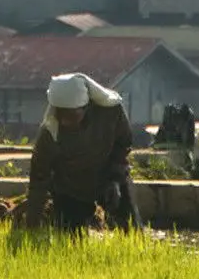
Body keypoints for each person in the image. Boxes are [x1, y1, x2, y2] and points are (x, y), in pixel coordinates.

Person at [21, 73, 138, 232]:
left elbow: (122, 144)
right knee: (70, 239)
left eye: (71, 116)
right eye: (60, 115)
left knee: (131, 229)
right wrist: (31, 224)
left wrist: (115, 179)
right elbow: (38, 179)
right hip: (70, 188)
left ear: (86, 107)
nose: (64, 121)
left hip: (108, 178)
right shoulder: (49, 134)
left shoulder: (111, 113)